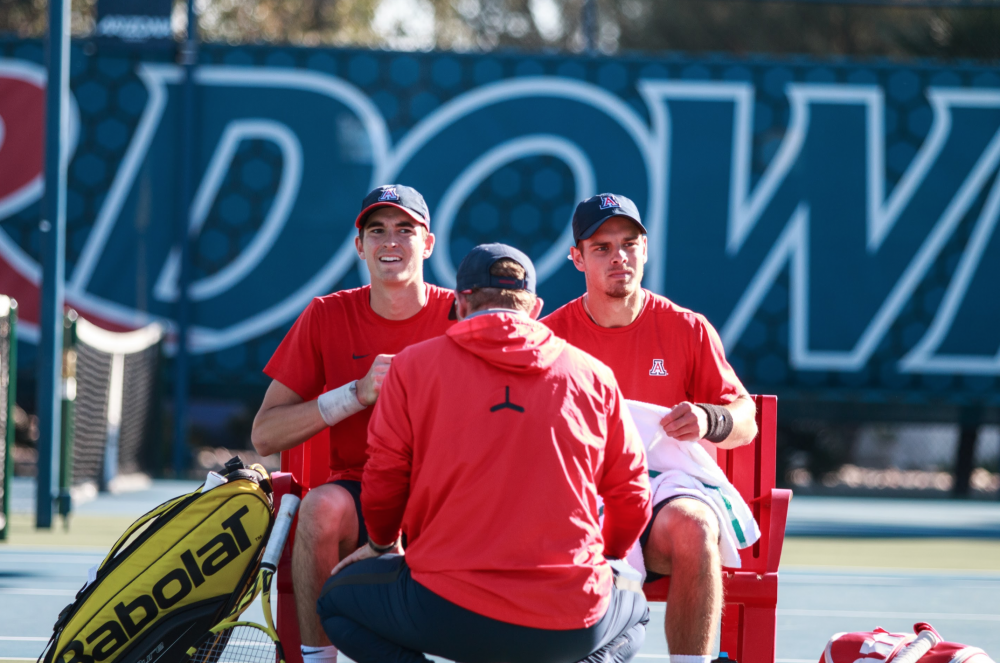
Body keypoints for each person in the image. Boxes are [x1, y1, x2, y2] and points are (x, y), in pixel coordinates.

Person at [317, 244, 652, 663]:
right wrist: (609, 557)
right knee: (636, 613)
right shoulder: (595, 375)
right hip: (569, 618)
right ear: (535, 306)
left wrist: (383, 544)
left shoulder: (412, 366)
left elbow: (384, 480)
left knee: (333, 602)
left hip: (443, 611)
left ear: (459, 302)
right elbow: (634, 496)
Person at [541, 193, 759, 663]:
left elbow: (745, 419)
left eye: (630, 243)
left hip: (662, 498)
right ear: (576, 258)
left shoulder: (687, 328)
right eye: (601, 247)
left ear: (645, 248)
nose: (619, 256)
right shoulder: (550, 337)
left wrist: (708, 417)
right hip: (581, 502)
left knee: (697, 525)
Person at [251, 184, 454, 663]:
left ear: (427, 244)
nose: (391, 242)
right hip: (361, 494)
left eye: (406, 230)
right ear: (359, 245)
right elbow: (265, 434)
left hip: (447, 498)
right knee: (319, 509)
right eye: (377, 230)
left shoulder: (462, 314)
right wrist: (356, 394)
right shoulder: (326, 314)